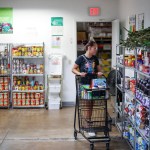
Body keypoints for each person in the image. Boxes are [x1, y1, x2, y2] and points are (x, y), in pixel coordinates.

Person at [72, 40, 103, 136]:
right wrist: (80, 73)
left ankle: (88, 121)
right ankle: (86, 123)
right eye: (95, 48)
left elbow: (99, 70)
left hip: (94, 84)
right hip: (84, 84)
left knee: (91, 104)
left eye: (96, 48)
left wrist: (99, 73)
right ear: (89, 48)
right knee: (86, 104)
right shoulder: (81, 58)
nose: (96, 50)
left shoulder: (95, 59)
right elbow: (73, 69)